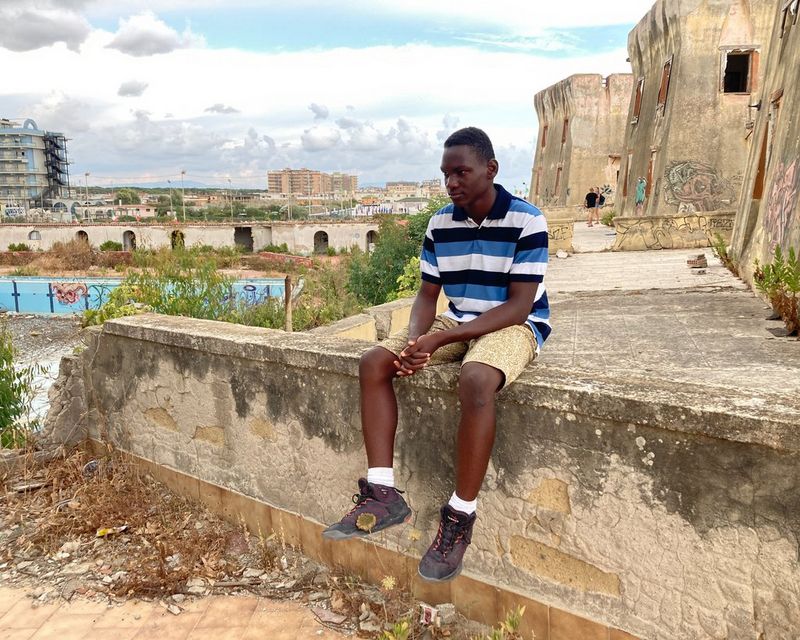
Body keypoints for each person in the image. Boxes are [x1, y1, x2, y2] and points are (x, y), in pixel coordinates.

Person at [322, 127, 551, 582]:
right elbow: (429, 295)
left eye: (461, 172)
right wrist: (413, 341)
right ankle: (383, 494)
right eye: (446, 174)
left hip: (515, 325)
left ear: (491, 169)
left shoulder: (527, 221)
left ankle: (460, 515)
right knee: (374, 362)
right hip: (459, 319)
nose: (452, 183)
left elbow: (520, 304)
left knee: (477, 379)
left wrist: (440, 341)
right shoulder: (440, 223)